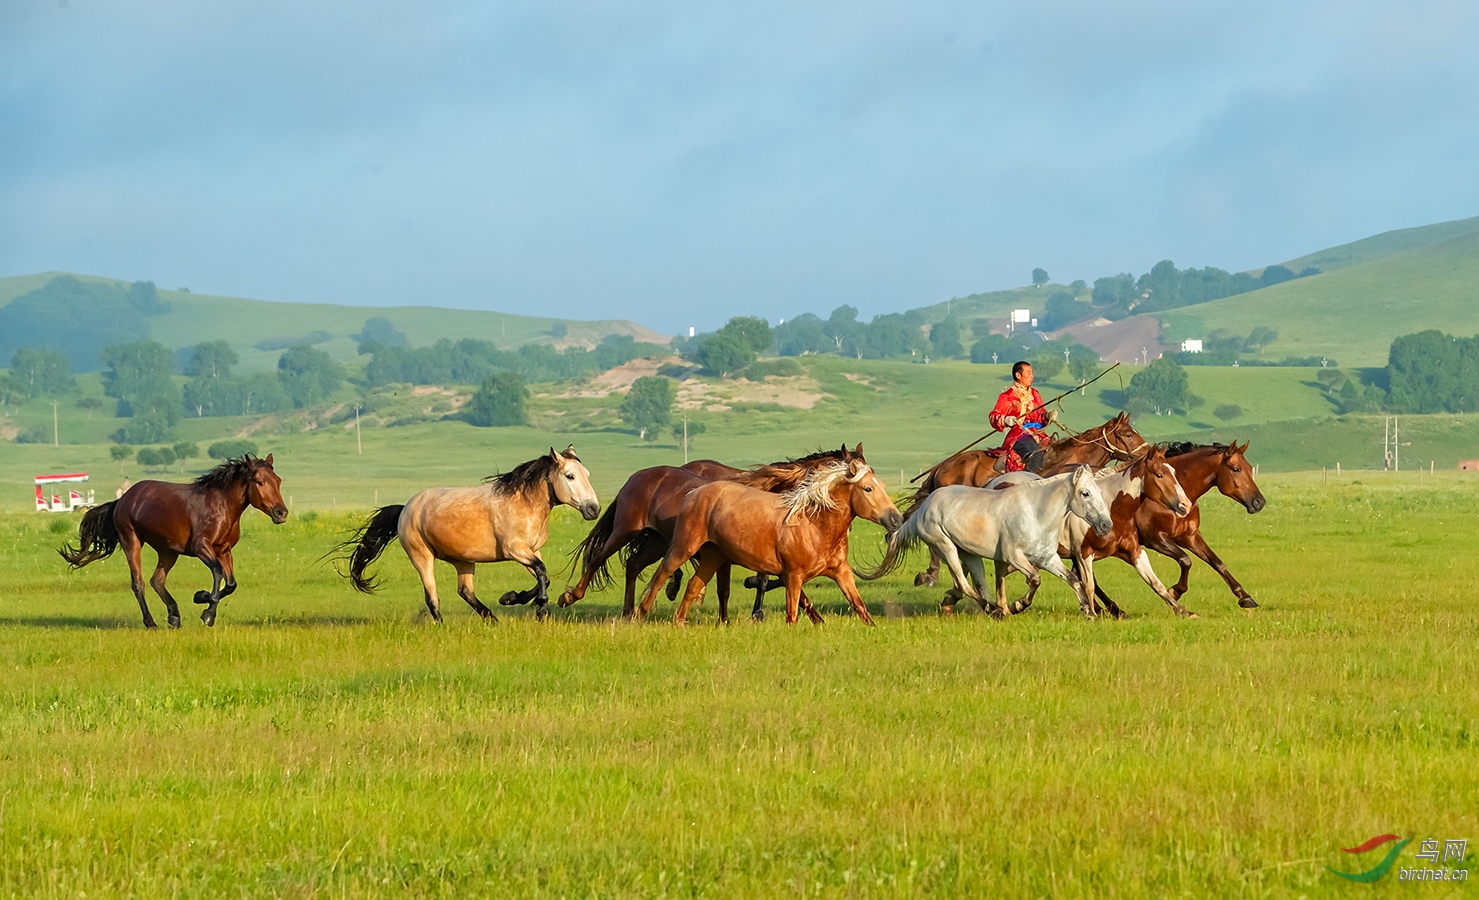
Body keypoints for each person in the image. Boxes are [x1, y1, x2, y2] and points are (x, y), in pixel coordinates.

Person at [989, 361, 1058, 472]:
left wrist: (1048, 415)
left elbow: (1040, 416)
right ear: (1018, 375)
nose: (1032, 376)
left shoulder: (1035, 393)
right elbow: (993, 416)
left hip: (1037, 433)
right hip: (1019, 435)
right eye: (1028, 373)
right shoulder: (1007, 396)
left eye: (1032, 373)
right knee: (1036, 456)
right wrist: (1006, 420)